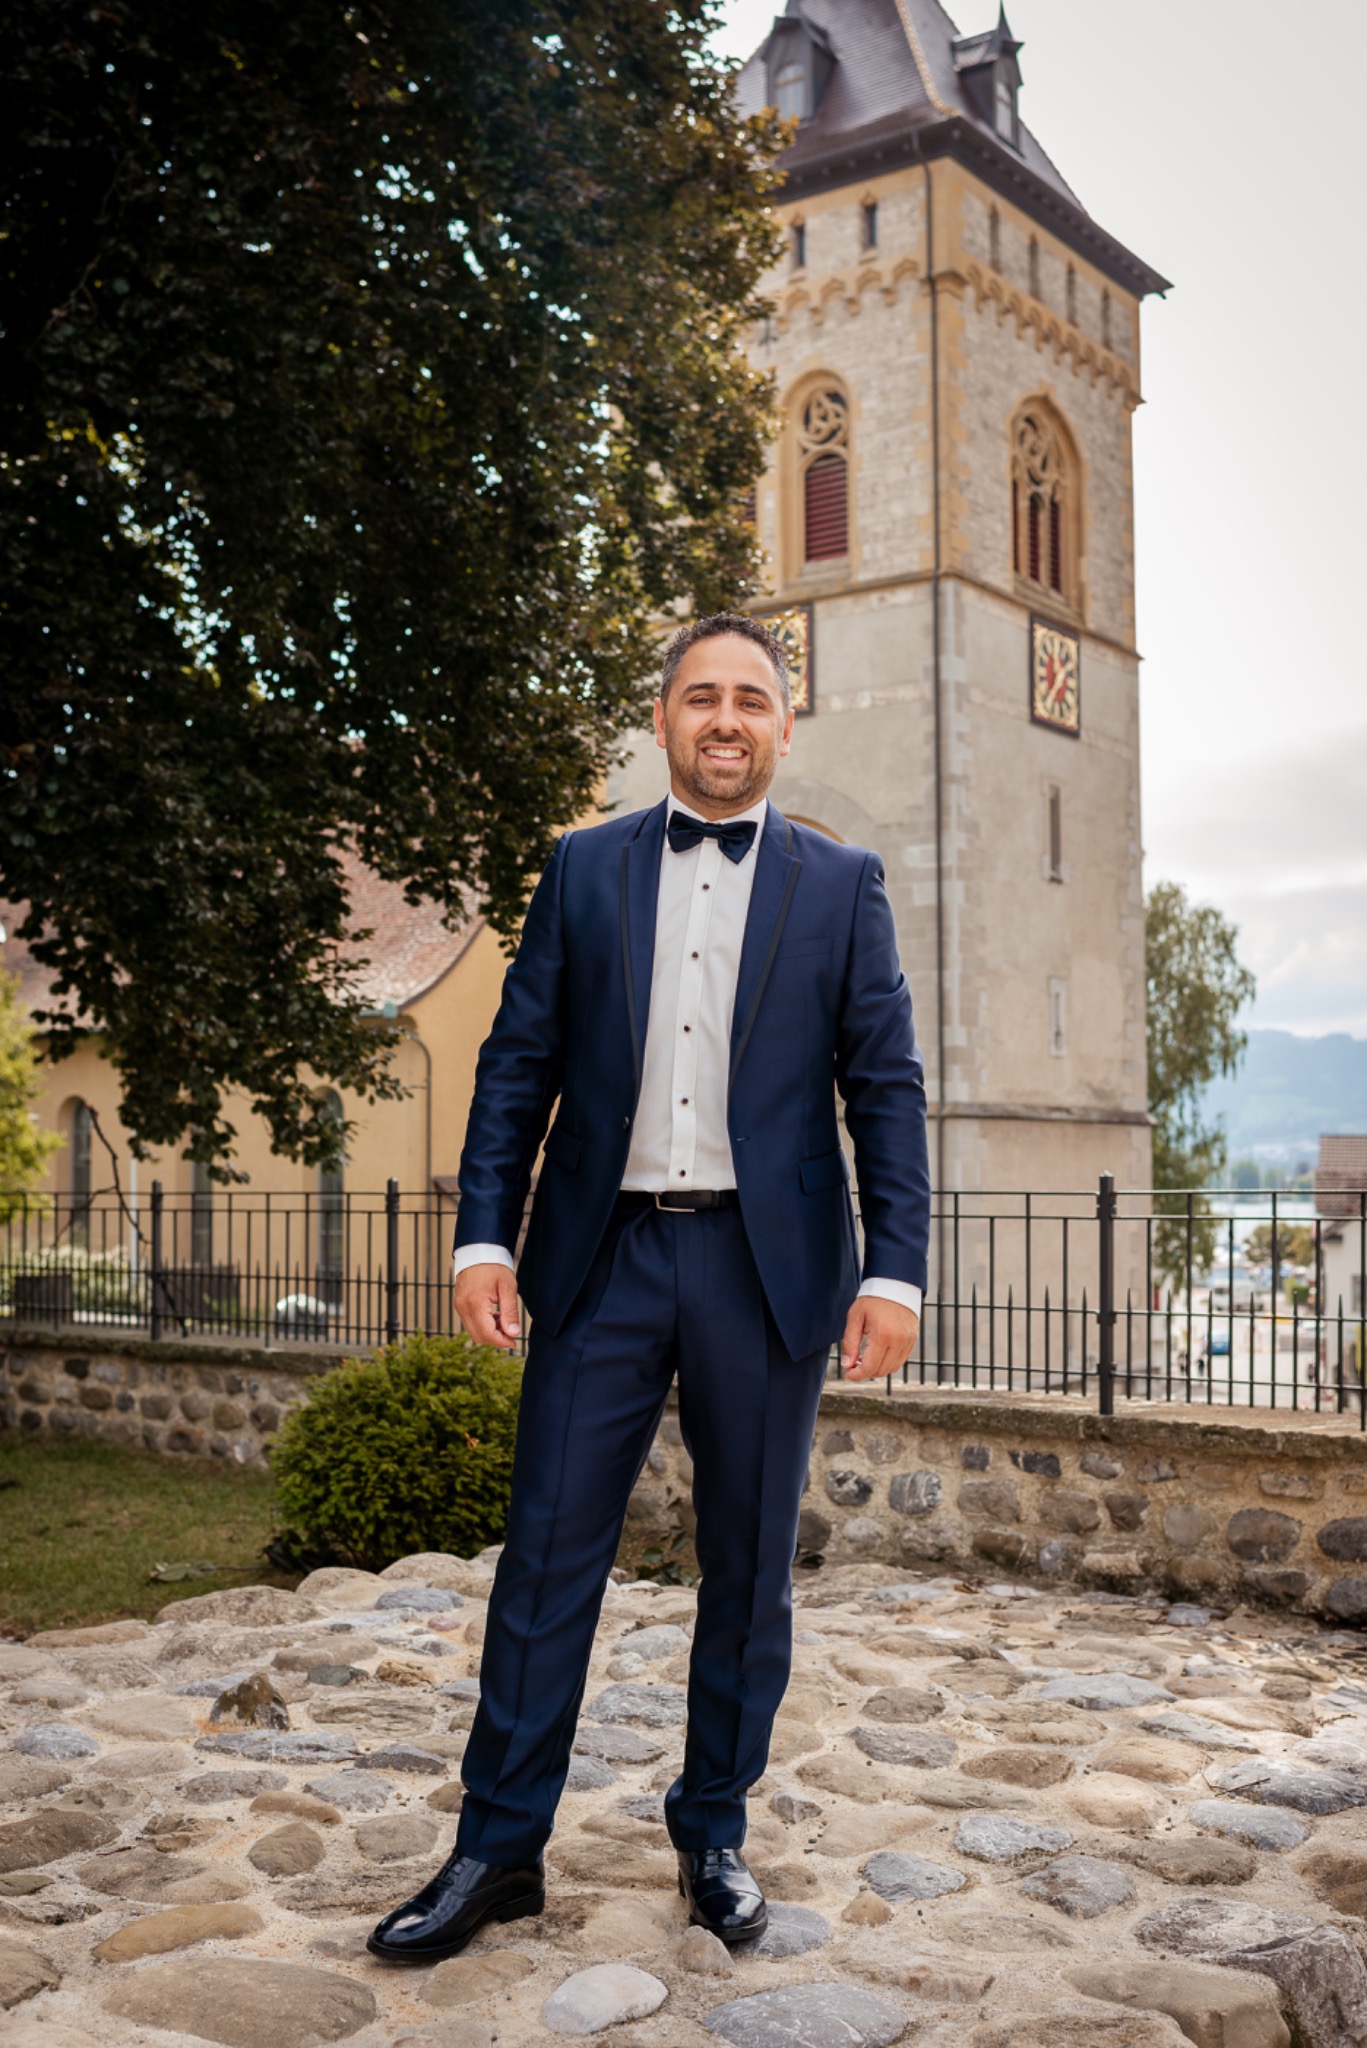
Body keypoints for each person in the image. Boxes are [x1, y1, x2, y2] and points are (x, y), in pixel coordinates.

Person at [368, 613, 931, 1964]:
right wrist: (482, 1241)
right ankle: (498, 1848)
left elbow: (886, 1093)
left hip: (767, 1269)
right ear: (665, 722)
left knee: (748, 1573)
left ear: (785, 727)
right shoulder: (581, 871)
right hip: (599, 1259)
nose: (725, 719)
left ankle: (714, 1833)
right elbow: (517, 1067)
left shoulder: (843, 886)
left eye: (751, 699)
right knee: (547, 1557)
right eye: (700, 698)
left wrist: (895, 1269)